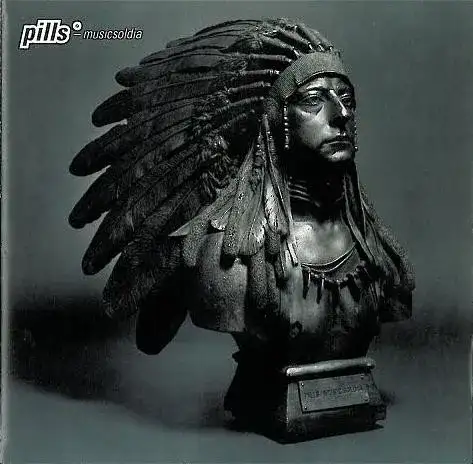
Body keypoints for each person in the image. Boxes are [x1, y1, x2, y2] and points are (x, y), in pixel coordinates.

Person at [69, 18, 415, 429]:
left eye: (346, 98)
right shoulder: (227, 258)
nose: (340, 114)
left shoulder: (378, 253)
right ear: (276, 122)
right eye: (313, 101)